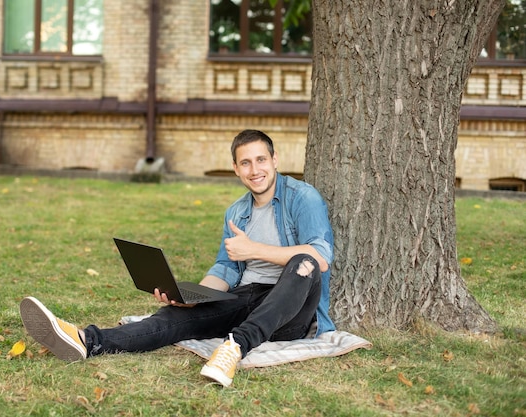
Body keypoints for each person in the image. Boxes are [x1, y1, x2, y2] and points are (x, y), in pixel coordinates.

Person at [20, 129, 335, 387]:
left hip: (290, 311)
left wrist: (255, 251)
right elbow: (225, 267)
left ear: (275, 160)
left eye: (261, 160)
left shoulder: (302, 197)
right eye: (246, 163)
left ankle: (235, 348)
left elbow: (319, 258)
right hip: (246, 299)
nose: (255, 170)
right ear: (237, 169)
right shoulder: (237, 212)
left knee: (302, 262)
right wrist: (194, 296)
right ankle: (87, 341)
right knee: (173, 319)